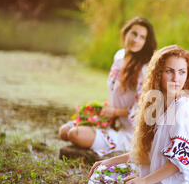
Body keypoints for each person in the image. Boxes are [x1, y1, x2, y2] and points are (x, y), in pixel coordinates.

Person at [83, 45, 189, 184]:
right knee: (100, 176)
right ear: (158, 73)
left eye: (182, 72)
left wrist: (145, 182)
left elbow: (182, 161)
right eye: (169, 71)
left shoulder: (184, 108)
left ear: (188, 74)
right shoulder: (159, 104)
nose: (176, 78)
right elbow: (148, 153)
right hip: (154, 179)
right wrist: (109, 162)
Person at [58, 17, 157, 157]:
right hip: (114, 120)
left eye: (142, 37)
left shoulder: (145, 69)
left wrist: (114, 111)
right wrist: (105, 111)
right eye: (134, 34)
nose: (136, 40)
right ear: (126, 33)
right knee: (64, 131)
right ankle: (100, 133)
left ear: (146, 42)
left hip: (132, 131)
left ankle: (108, 141)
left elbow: (141, 110)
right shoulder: (119, 56)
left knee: (74, 134)